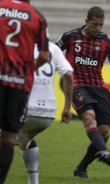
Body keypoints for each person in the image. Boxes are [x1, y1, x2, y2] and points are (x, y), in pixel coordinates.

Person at [55, 6, 110, 178]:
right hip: (76, 84)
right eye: (94, 24)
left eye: (101, 25)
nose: (97, 29)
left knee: (104, 132)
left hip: (99, 88)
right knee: (89, 118)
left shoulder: (107, 42)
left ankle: (81, 168)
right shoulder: (70, 37)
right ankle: (104, 152)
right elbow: (52, 53)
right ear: (86, 21)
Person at [0, 0, 49, 183]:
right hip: (19, 84)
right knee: (8, 138)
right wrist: (29, 70)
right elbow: (44, 55)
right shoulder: (37, 17)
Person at [17, 42, 73, 184]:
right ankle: (33, 181)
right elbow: (68, 75)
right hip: (47, 113)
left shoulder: (18, 43)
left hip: (22, 108)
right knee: (26, 140)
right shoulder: (53, 48)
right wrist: (67, 107)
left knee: (6, 138)